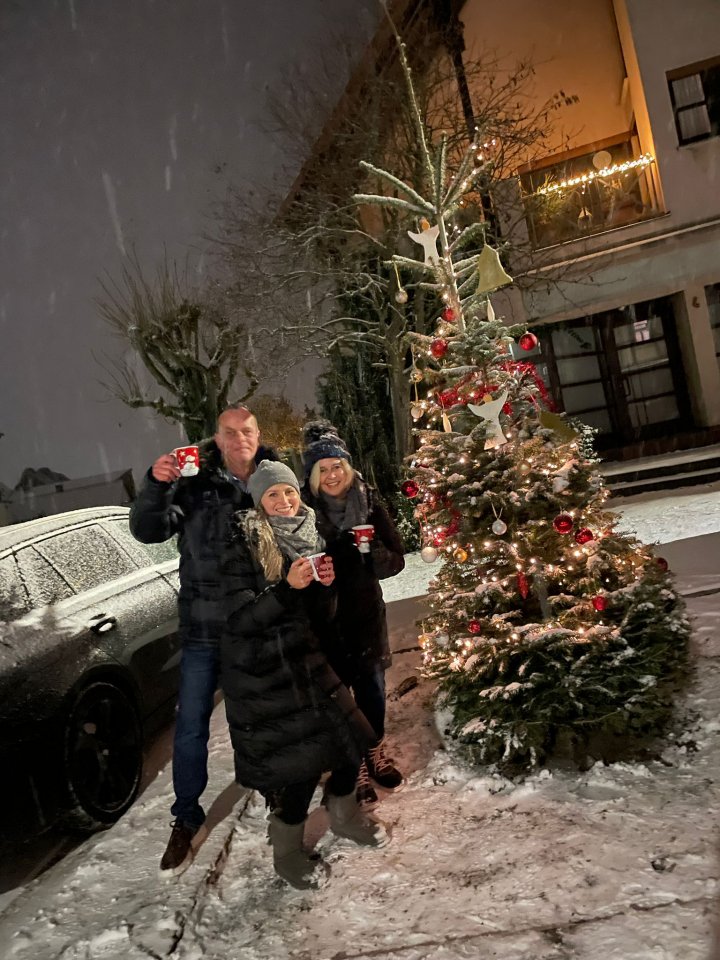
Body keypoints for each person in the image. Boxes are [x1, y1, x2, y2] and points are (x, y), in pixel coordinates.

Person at [222, 460, 389, 889]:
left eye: (289, 492)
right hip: (267, 671)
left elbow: (319, 614)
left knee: (354, 739)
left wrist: (325, 586)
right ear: (258, 502)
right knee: (301, 765)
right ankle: (288, 854)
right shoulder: (241, 543)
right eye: (273, 495)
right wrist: (287, 588)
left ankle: (344, 817)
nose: (284, 501)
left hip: (310, 658)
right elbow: (238, 620)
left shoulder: (312, 534)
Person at [130, 403, 276, 875]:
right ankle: (186, 816)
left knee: (258, 714)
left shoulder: (273, 479)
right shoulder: (193, 483)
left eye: (246, 430)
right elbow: (148, 530)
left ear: (258, 434)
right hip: (201, 627)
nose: (238, 439)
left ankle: (275, 790)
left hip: (254, 623)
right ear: (217, 438)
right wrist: (156, 485)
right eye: (229, 432)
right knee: (191, 726)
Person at [301, 421, 405, 806]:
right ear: (312, 475)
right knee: (340, 696)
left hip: (364, 616)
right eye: (323, 469)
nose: (332, 475)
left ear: (347, 467)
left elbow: (396, 561)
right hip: (325, 621)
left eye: (337, 466)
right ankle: (353, 763)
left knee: (372, 690)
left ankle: (374, 752)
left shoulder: (369, 502)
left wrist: (375, 553)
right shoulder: (301, 511)